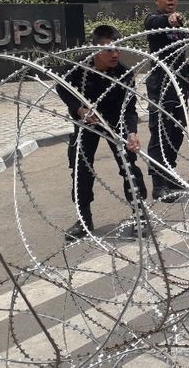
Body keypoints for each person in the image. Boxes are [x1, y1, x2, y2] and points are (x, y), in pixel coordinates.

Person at [57, 25, 148, 241]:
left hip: (116, 121)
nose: (115, 54)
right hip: (86, 121)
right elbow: (62, 87)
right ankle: (84, 219)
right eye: (109, 50)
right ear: (94, 49)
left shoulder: (124, 73)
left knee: (128, 166)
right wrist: (78, 109)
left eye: (118, 49)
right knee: (81, 168)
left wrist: (131, 133)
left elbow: (129, 107)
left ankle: (140, 215)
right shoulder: (76, 67)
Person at [144, 0, 189, 200]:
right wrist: (169, 19)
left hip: (179, 84)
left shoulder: (179, 25)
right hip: (161, 85)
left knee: (175, 132)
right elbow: (154, 23)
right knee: (160, 134)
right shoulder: (154, 20)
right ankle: (158, 185)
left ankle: (170, 175)